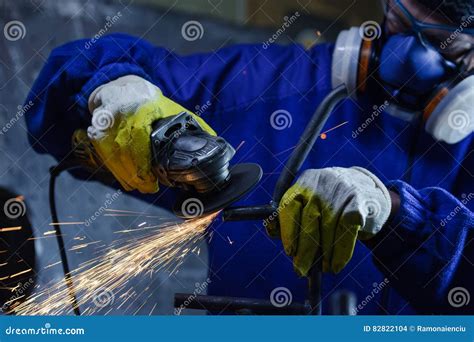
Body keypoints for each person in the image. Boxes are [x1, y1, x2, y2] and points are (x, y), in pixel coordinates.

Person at [25, 0, 473, 314]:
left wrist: (396, 214)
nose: (410, 55)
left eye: (442, 43)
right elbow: (56, 104)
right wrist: (117, 91)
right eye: (399, 22)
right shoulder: (273, 84)